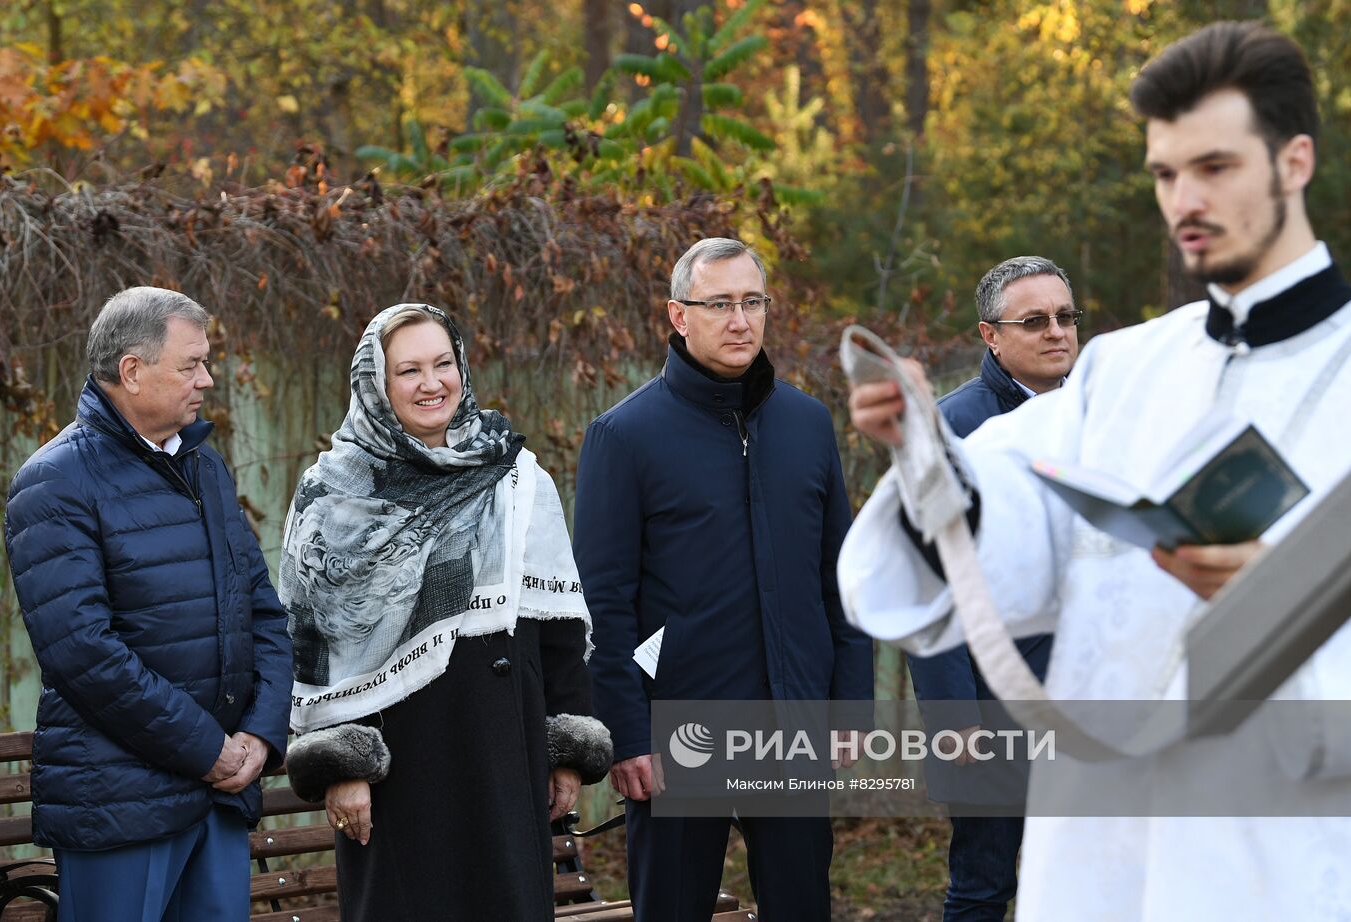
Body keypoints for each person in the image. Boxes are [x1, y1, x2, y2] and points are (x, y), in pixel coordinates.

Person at [842, 22, 1351, 921]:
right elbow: (1013, 534)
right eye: (1164, 173)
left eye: (1215, 167)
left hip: (1288, 849)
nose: (1184, 199)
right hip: (1102, 848)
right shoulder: (1122, 370)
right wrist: (931, 460)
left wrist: (1285, 596)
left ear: (1295, 161)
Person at [279, 303, 612, 922]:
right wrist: (342, 765)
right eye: (408, 371)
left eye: (443, 364)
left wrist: (564, 747)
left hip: (502, 751)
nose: (432, 383)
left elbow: (558, 627)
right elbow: (314, 643)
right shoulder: (333, 493)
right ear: (376, 386)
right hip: (399, 767)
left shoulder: (513, 473)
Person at [574, 237, 875, 920]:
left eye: (752, 302)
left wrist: (848, 705)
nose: (740, 320)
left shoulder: (806, 423)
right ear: (679, 316)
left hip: (793, 720)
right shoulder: (623, 437)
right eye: (720, 305)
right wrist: (627, 735)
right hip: (680, 729)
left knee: (801, 905)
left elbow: (843, 578)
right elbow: (603, 604)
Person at [3, 287, 293, 922]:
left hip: (219, 797)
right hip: (119, 808)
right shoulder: (54, 483)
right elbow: (83, 654)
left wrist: (258, 736)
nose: (207, 379)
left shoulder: (204, 468)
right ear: (131, 371)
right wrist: (209, 750)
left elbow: (264, 614)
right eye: (191, 365)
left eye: (206, 362)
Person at [914, 256, 1076, 921]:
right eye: (1034, 321)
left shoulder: (1107, 417)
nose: (1056, 332)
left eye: (1066, 317)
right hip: (995, 706)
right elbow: (931, 589)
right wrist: (954, 718)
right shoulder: (950, 430)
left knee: (1082, 883)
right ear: (990, 335)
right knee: (983, 885)